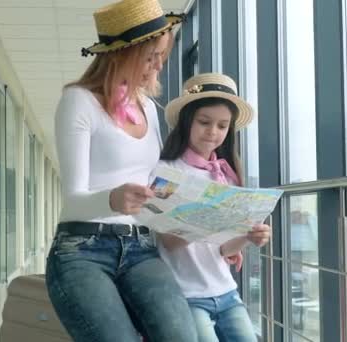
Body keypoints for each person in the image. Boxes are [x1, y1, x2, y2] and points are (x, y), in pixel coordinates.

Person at [45, 0, 198, 341]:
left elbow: (158, 182)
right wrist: (113, 200)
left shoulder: (147, 106)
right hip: (82, 249)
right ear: (121, 55)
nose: (157, 66)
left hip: (141, 248)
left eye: (162, 55)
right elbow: (72, 200)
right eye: (150, 57)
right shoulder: (78, 101)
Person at [156, 73, 272, 342]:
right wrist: (202, 219)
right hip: (187, 296)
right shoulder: (166, 171)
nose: (213, 132)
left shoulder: (226, 175)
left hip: (227, 291)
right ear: (186, 122)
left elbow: (223, 249)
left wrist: (248, 237)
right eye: (204, 122)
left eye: (222, 126)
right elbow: (167, 241)